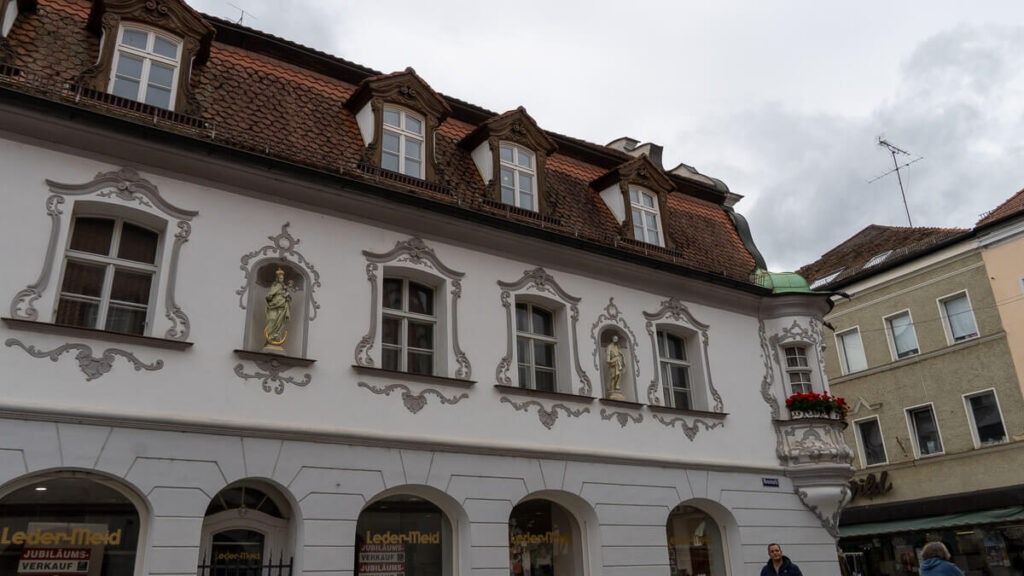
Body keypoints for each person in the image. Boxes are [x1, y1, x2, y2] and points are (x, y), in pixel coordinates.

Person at [264, 267, 292, 347]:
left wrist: (287, 296)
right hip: (273, 306)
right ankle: (270, 337)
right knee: (272, 320)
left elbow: (289, 298)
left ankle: (276, 338)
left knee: (280, 324)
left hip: (282, 307)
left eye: (282, 278)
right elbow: (269, 295)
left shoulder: (284, 287)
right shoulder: (275, 286)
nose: (282, 279)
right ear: (277, 278)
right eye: (280, 278)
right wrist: (269, 297)